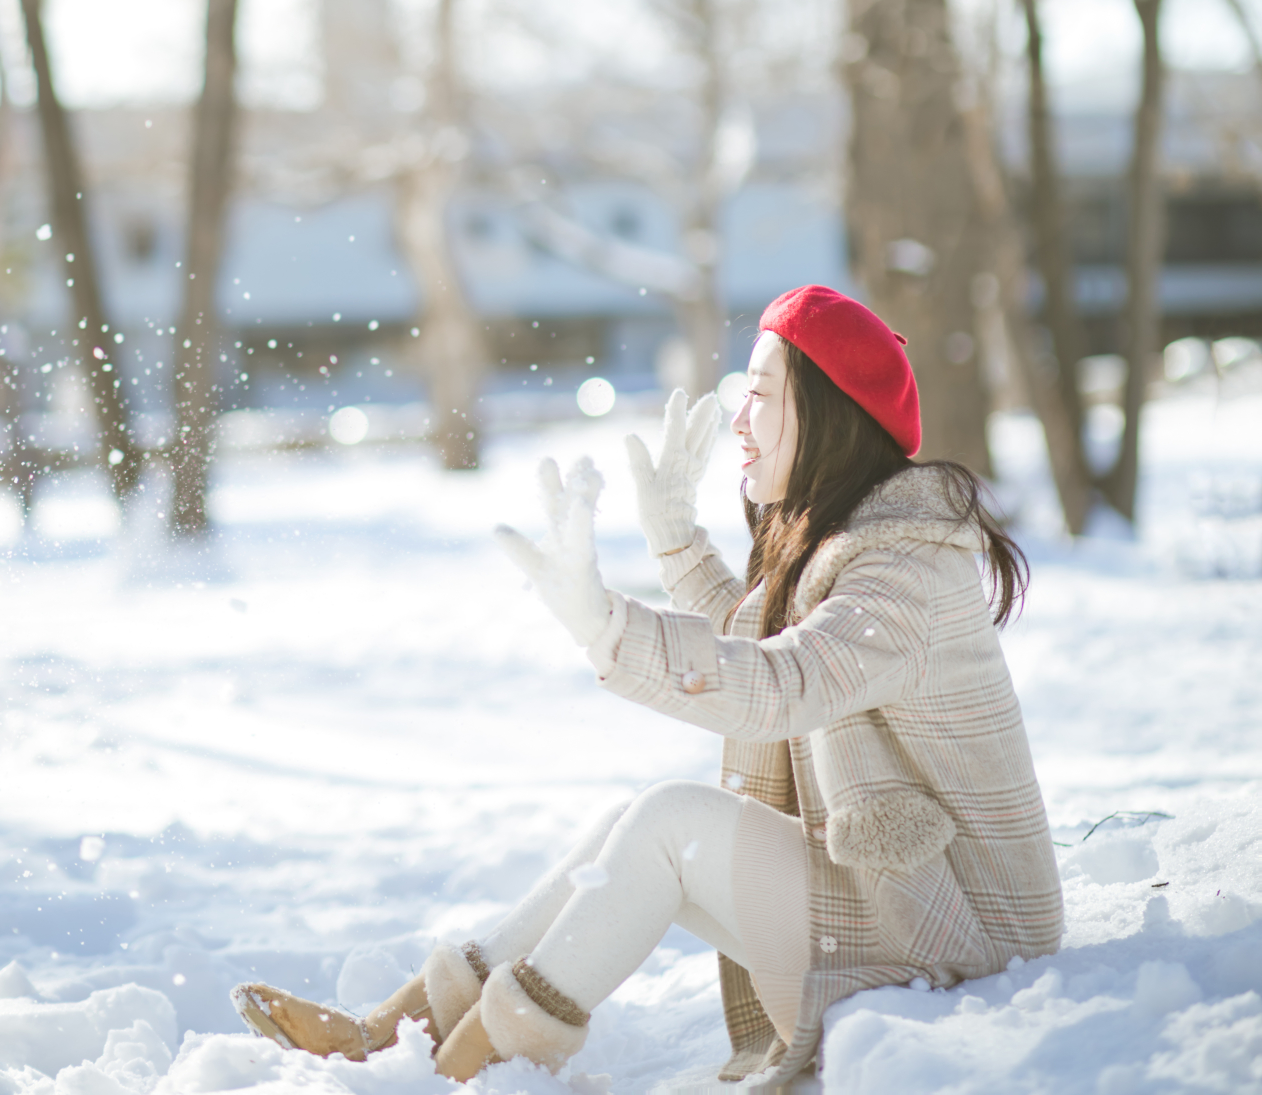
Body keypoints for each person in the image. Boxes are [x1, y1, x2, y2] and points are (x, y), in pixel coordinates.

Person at [232, 283, 1063, 1087]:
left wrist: (607, 629)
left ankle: (467, 1067)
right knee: (626, 825)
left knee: (671, 822)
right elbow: (760, 638)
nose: (739, 417)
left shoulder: (904, 567)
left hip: (965, 936)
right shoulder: (856, 545)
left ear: (831, 412)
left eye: (762, 394)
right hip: (906, 902)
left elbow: (784, 681)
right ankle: (399, 1034)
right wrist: (674, 540)